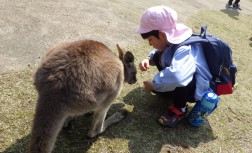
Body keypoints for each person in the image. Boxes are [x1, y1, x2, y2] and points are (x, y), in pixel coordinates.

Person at [137, 6, 213, 127]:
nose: (150, 44)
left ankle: (180, 110)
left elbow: (179, 77)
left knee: (181, 77)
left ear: (162, 35)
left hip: (196, 88)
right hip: (184, 79)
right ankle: (170, 91)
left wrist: (155, 85)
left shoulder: (184, 48)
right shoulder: (170, 40)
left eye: (150, 40)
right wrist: (148, 59)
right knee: (157, 55)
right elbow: (164, 52)